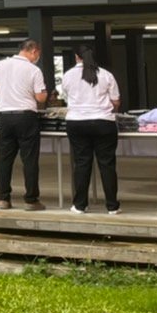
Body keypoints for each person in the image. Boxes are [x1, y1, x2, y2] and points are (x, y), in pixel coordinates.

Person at [0, 39, 48, 211]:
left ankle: (4, 199)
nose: (37, 57)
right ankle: (31, 200)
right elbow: (40, 97)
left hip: (4, 117)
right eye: (38, 54)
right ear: (33, 51)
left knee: (5, 158)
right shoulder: (34, 70)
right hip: (26, 117)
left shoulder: (1, 65)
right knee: (29, 159)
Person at [61, 47, 122, 215]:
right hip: (103, 122)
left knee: (81, 163)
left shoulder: (68, 75)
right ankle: (112, 206)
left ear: (76, 57)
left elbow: (66, 97)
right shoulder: (106, 75)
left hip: (76, 123)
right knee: (107, 164)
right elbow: (116, 101)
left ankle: (80, 205)